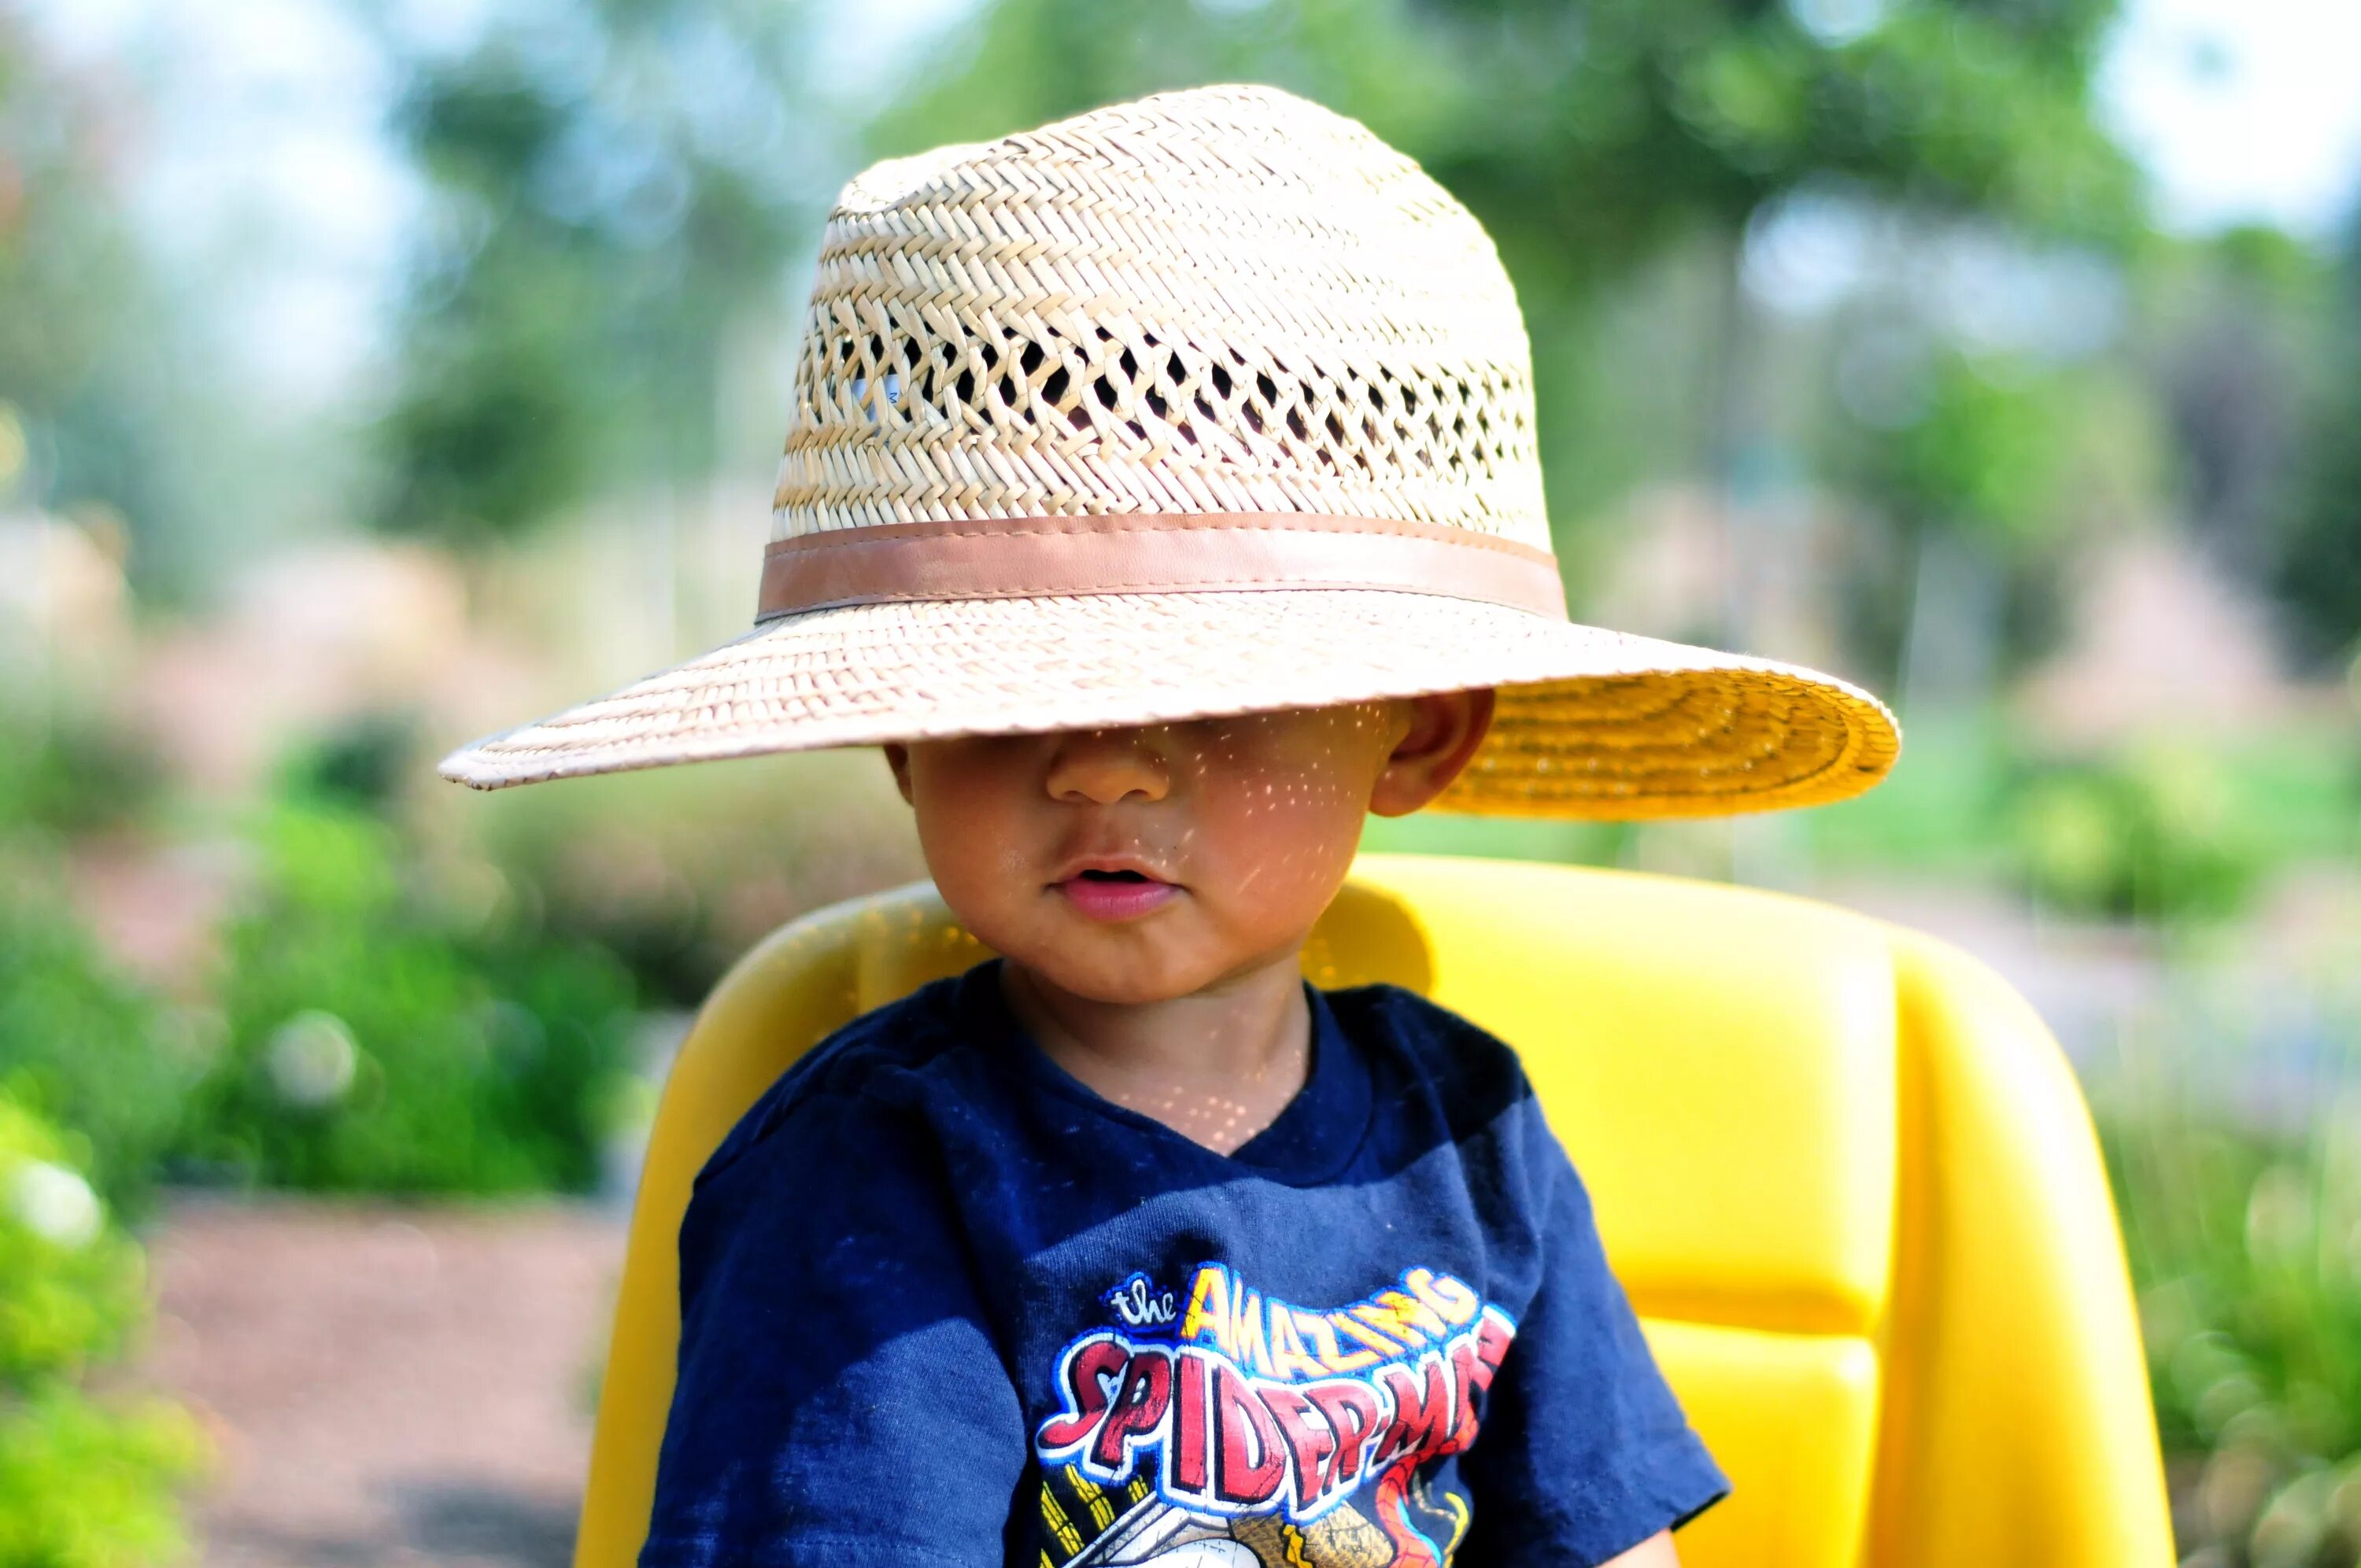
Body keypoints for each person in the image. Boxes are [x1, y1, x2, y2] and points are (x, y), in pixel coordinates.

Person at [439, 83, 1899, 1568]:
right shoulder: (875, 1177)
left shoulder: (1475, 1135)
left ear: (1421, 724)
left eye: (1222, 694)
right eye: (1004, 694)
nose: (1105, 770)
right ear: (900, 734)